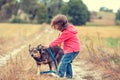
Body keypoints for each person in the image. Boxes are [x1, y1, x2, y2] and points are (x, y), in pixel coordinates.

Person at [48, 14, 81, 79]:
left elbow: (59, 40)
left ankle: (60, 75)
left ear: (61, 24)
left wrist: (50, 45)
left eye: (56, 25)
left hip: (72, 50)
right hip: (73, 49)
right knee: (68, 62)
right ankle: (69, 76)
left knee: (64, 61)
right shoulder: (68, 29)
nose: (56, 27)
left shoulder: (67, 32)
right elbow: (61, 39)